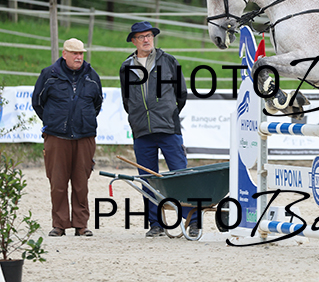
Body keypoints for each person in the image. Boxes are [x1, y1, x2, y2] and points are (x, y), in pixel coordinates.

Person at [119, 21, 198, 238]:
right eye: (141, 36)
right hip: (142, 132)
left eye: (149, 35)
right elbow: (127, 100)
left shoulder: (169, 61)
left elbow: (181, 94)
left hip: (168, 129)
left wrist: (168, 113)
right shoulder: (126, 67)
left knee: (180, 176)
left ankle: (193, 221)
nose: (146, 40)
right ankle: (156, 224)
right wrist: (138, 118)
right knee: (148, 180)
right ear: (133, 41)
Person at [32, 38, 102, 237]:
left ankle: (81, 224)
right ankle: (60, 224)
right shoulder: (49, 75)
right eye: (74, 53)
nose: (78, 57)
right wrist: (54, 120)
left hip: (85, 136)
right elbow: (38, 102)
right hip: (56, 136)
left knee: (81, 182)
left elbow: (97, 103)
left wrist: (83, 120)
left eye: (81, 53)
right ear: (64, 54)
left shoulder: (92, 76)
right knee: (58, 182)